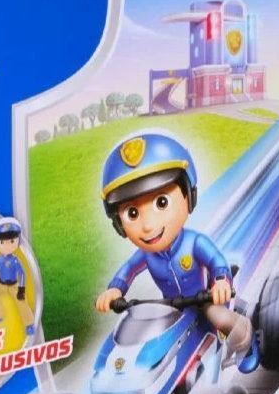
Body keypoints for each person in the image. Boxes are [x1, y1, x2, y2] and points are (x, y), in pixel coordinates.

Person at [95, 132, 257, 372]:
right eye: (132, 213)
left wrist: (221, 282)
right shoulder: (146, 254)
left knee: (220, 318)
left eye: (161, 203)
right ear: (119, 224)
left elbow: (216, 261)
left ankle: (246, 342)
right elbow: (128, 270)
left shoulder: (194, 242)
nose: (147, 225)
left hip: (204, 300)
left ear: (188, 196)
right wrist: (115, 289)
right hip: (171, 308)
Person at [0, 216, 35, 335]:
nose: (6, 246)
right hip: (0, 283)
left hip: (13, 285)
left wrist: (21, 288)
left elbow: (22, 274)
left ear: (18, 240)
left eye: (11, 241)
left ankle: (29, 323)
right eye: (2, 242)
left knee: (22, 301)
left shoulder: (15, 261)